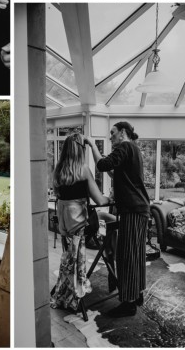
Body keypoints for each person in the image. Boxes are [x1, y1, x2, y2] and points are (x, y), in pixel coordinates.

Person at [87, 121, 149, 317]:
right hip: (140, 208)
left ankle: (128, 304)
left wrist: (91, 144)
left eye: (112, 133)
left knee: (127, 255)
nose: (110, 137)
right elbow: (117, 174)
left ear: (122, 132)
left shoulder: (124, 146)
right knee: (136, 253)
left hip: (132, 209)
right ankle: (137, 294)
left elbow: (102, 164)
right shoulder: (134, 149)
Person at [50, 134, 110, 313]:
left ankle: (67, 285)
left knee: (69, 255)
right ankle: (111, 258)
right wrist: (110, 197)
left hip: (65, 226)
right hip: (79, 227)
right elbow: (99, 200)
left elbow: (59, 195)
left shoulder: (58, 171)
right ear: (80, 150)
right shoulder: (83, 170)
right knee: (106, 224)